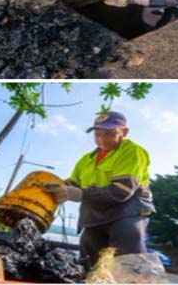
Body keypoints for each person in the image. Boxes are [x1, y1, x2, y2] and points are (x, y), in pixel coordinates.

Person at [43, 111, 155, 269]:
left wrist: (76, 193)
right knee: (89, 260)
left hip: (127, 212)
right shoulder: (86, 160)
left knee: (126, 259)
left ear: (124, 131)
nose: (102, 139)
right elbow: (72, 184)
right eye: (97, 134)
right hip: (95, 215)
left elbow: (122, 191)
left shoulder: (132, 151)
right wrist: (51, 186)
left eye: (109, 133)